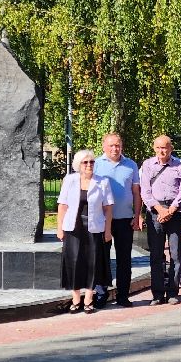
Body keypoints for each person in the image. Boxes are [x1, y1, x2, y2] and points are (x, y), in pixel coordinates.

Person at [56, 149, 114, 313]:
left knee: (92, 263)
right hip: (73, 228)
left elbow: (108, 209)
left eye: (92, 162)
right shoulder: (70, 180)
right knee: (74, 262)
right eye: (85, 162)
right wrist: (59, 229)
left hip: (94, 228)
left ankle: (88, 298)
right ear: (78, 165)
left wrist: (108, 231)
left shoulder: (102, 181)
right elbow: (62, 206)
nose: (89, 165)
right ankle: (76, 298)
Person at [139, 135, 181, 304]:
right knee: (156, 255)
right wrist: (160, 209)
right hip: (155, 212)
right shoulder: (147, 165)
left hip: (175, 213)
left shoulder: (180, 166)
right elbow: (145, 191)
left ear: (171, 148)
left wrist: (171, 210)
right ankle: (158, 293)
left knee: (175, 255)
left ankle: (173, 292)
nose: (162, 151)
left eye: (165, 148)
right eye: (158, 148)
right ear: (154, 148)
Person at [93, 133, 142, 307]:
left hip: (124, 219)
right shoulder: (96, 164)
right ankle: (100, 294)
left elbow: (136, 193)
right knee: (101, 258)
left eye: (118, 145)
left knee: (124, 259)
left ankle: (123, 295)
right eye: (111, 145)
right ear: (104, 146)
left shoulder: (131, 165)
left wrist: (137, 215)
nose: (115, 149)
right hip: (101, 220)